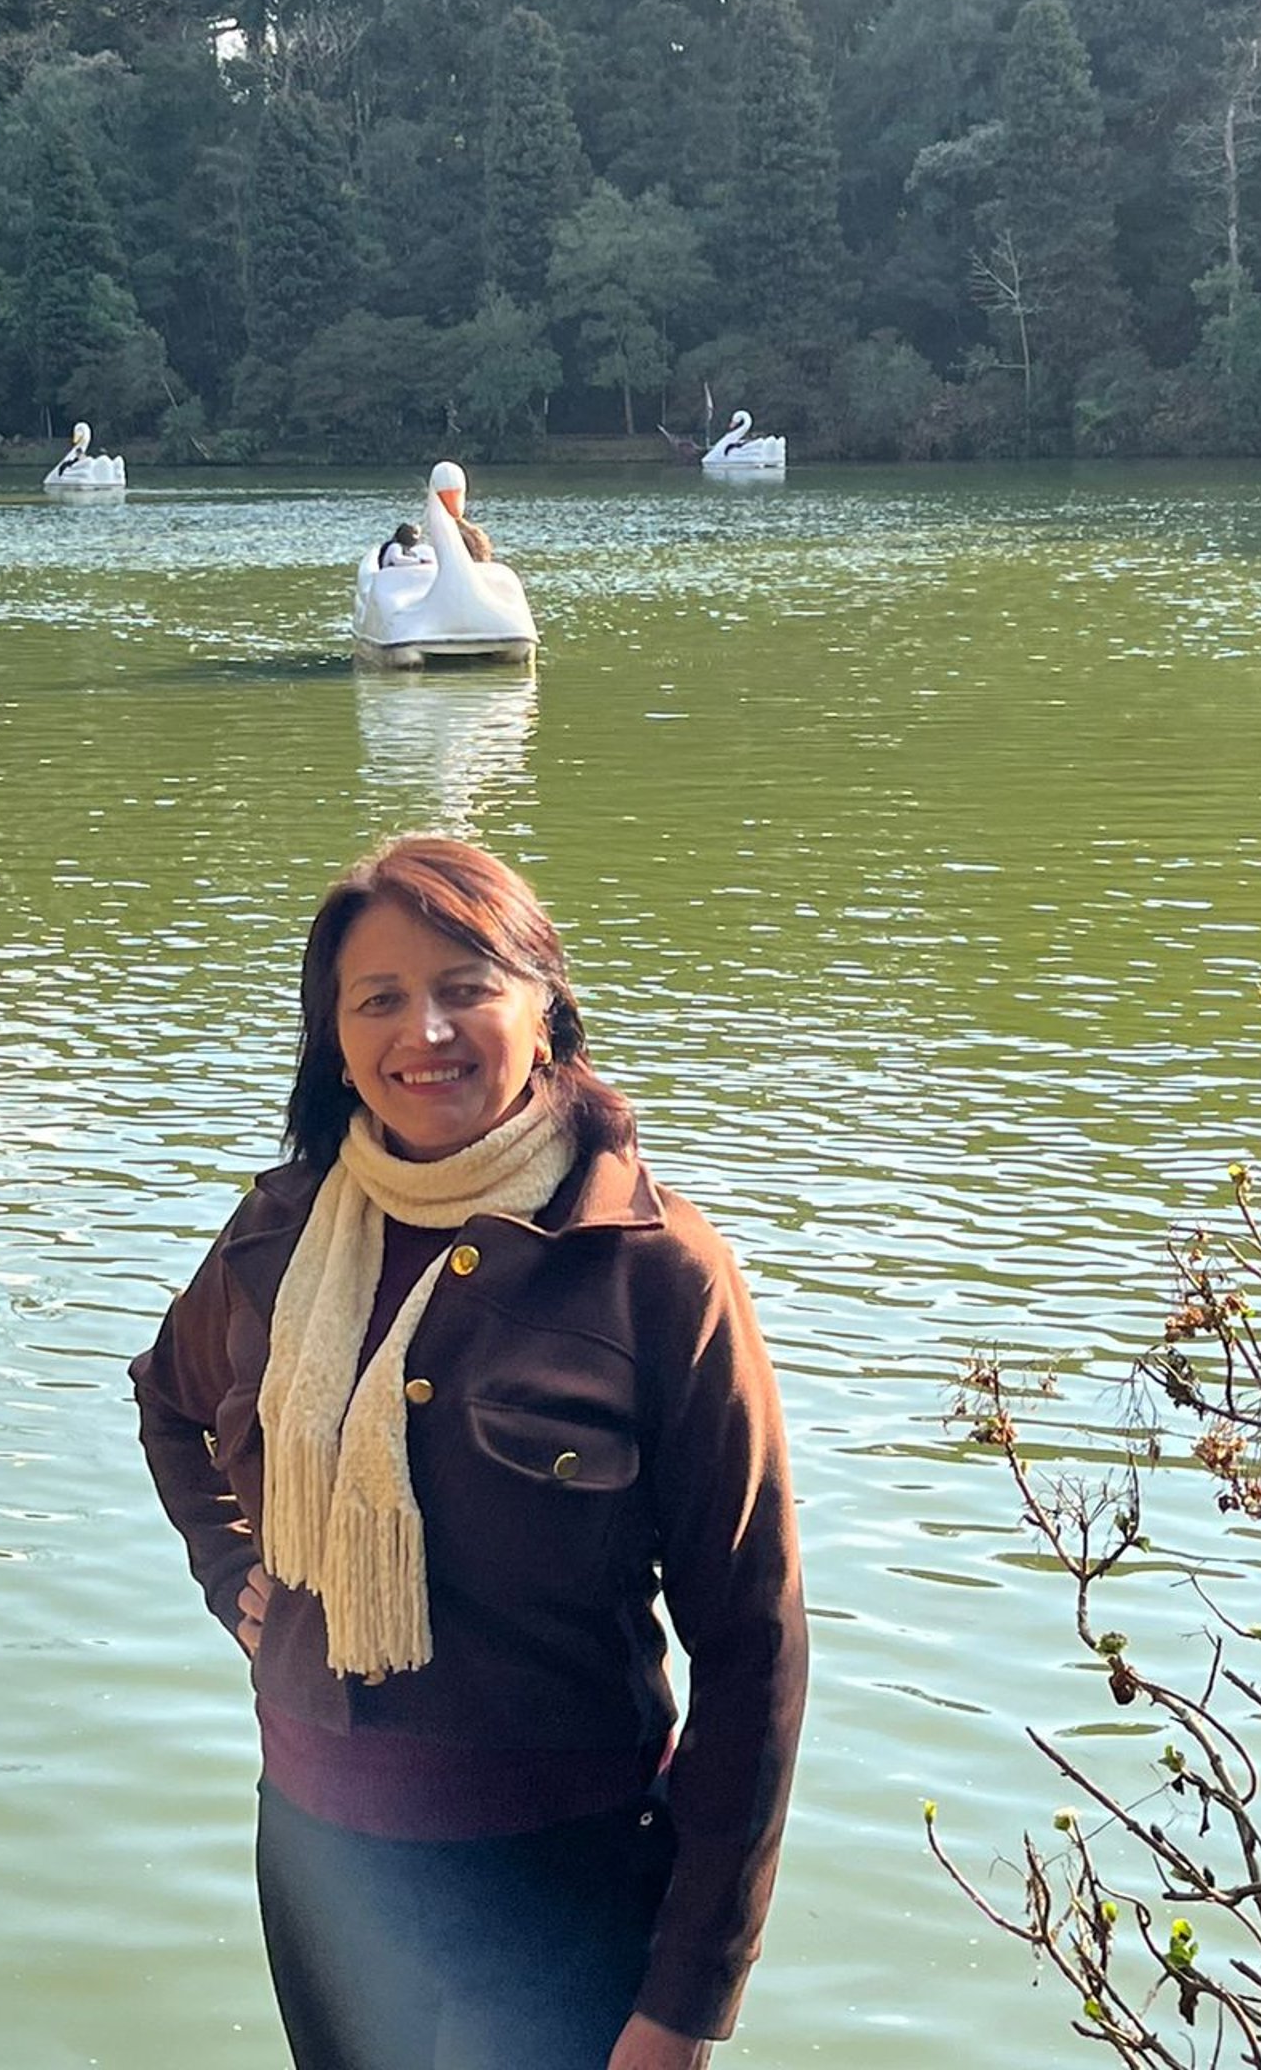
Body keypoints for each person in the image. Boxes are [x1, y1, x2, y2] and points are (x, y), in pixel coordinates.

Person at [129, 836, 806, 2070]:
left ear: (542, 1008)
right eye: (377, 999)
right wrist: (234, 1578)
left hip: (560, 1882)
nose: (423, 1030)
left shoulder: (653, 1273)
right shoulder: (278, 1235)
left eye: (466, 985)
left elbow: (754, 1647)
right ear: (334, 1040)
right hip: (320, 1863)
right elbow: (166, 1401)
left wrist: (688, 2000)